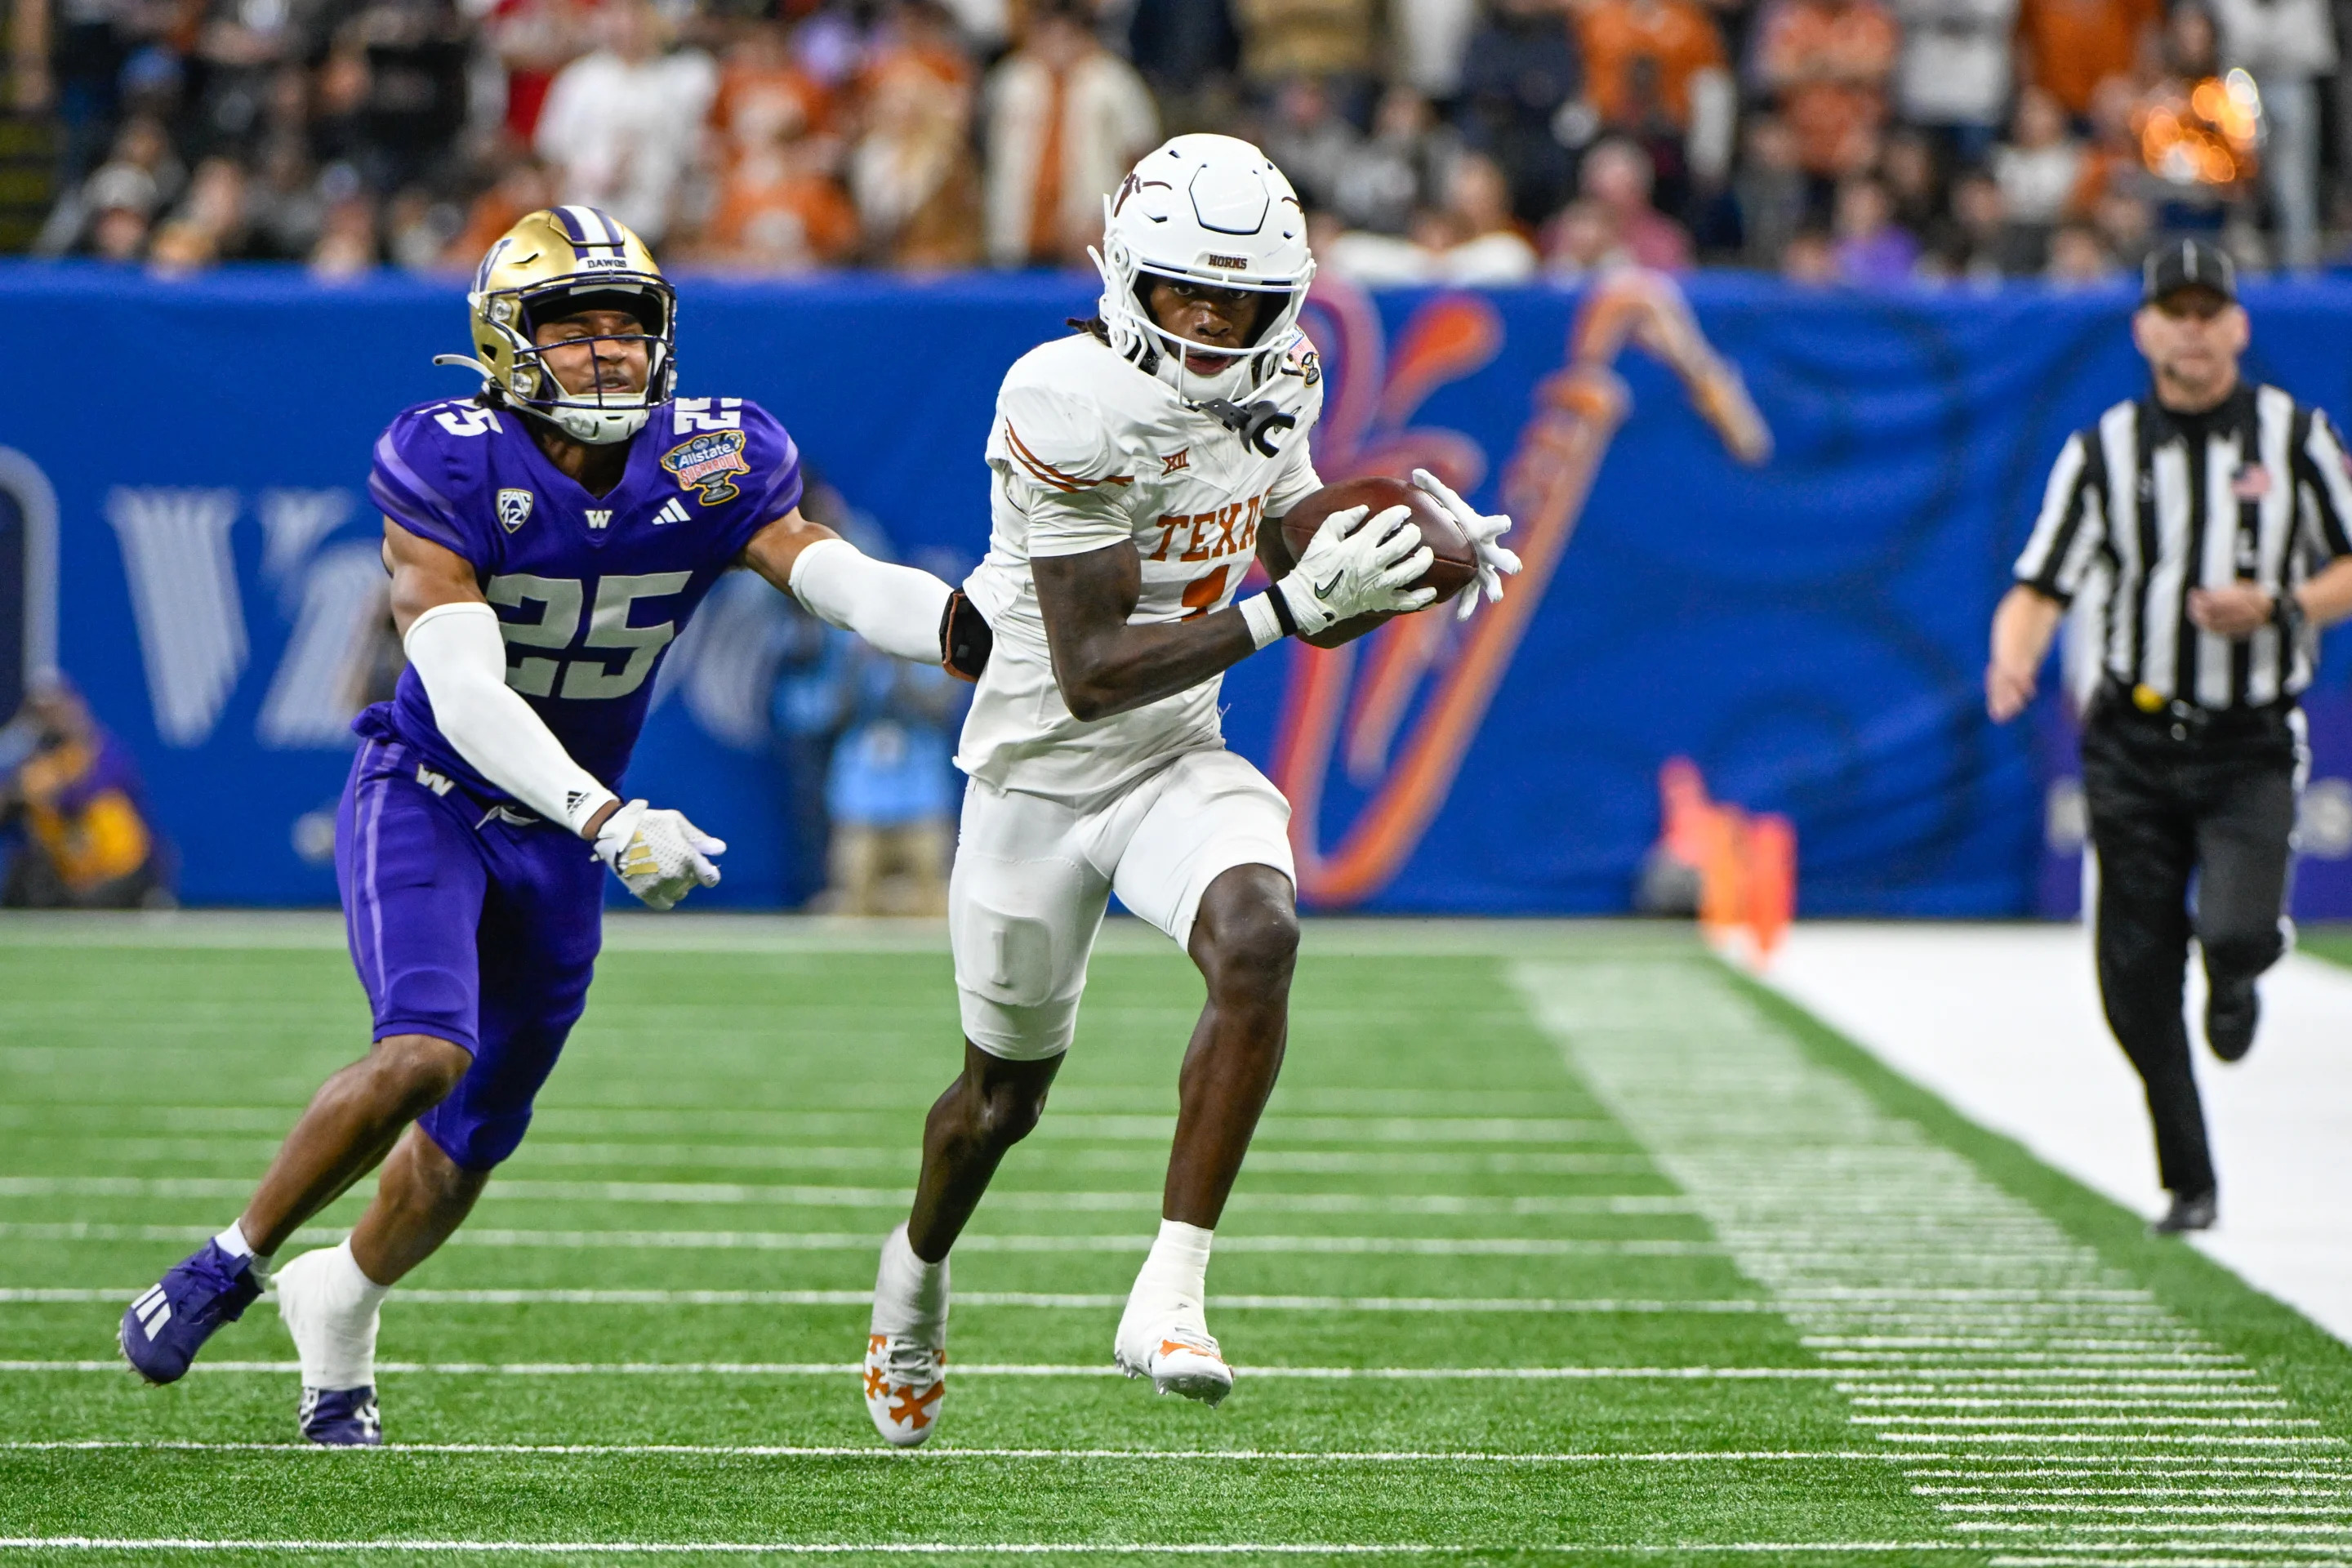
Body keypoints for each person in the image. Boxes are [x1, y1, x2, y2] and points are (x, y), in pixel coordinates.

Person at [118, 204, 994, 1444]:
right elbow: (466, 689)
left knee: (472, 1144)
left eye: (627, 329)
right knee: (426, 1050)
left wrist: (959, 627)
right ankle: (231, 1257)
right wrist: (606, 813)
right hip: (433, 791)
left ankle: (344, 1309)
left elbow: (826, 569)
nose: (608, 353)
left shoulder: (715, 455)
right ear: (503, 343)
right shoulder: (451, 458)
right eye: (572, 330)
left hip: (569, 836)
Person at [859, 134, 1521, 1448]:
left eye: (1241, 300)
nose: (1215, 323)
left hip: (1175, 754)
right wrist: (1291, 609)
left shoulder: (1285, 369)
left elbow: (1282, 536)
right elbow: (1097, 667)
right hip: (1042, 772)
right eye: (1185, 294)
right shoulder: (1062, 392)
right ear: (1125, 277)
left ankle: (1170, 1291)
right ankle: (914, 1280)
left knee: (1260, 936)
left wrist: (1388, 544)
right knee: (998, 1106)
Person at [1986, 238, 2352, 1236]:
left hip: (2247, 740)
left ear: (2238, 324)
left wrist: (2280, 603)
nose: (2192, 330)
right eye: (2173, 312)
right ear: (2145, 328)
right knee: (2131, 982)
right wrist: (2013, 656)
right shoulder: (2104, 451)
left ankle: (2235, 980)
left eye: (2208, 312)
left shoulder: (2291, 439)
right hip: (2135, 739)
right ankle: (2189, 1176)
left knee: (2235, 932)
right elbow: (2040, 582)